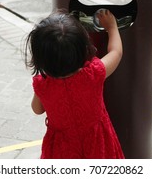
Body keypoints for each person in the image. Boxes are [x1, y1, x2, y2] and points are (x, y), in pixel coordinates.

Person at [24, 9, 124, 159]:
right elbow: (116, 52)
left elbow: (37, 109)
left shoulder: (44, 85)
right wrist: (112, 27)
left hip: (62, 149)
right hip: (97, 143)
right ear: (83, 48)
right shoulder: (93, 74)